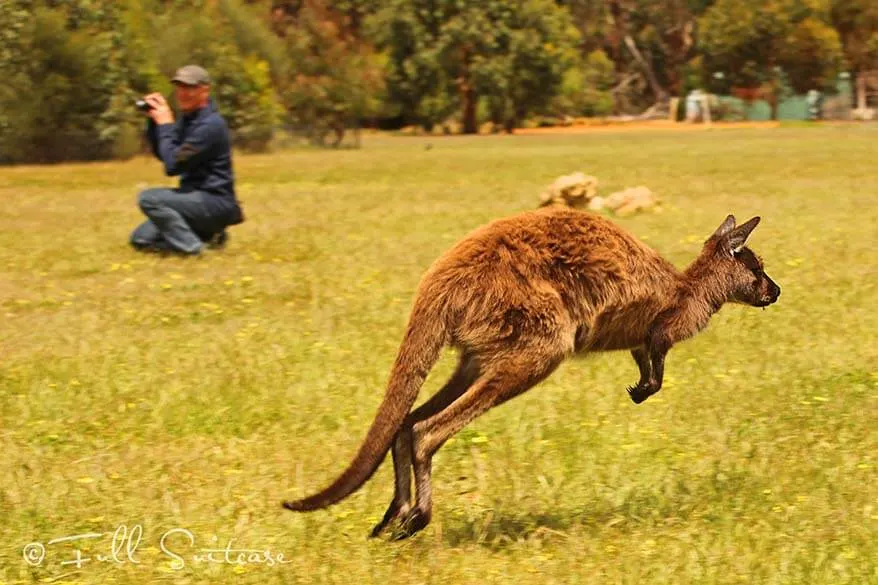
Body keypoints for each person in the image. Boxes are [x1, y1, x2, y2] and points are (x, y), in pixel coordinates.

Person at [130, 65, 244, 255]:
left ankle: (195, 250)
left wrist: (166, 124)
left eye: (189, 88)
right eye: (180, 87)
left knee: (149, 198)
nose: (183, 93)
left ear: (205, 90)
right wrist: (154, 123)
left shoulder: (211, 125)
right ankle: (211, 238)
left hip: (214, 201)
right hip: (194, 200)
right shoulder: (189, 119)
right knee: (141, 239)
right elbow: (166, 154)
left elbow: (173, 166)